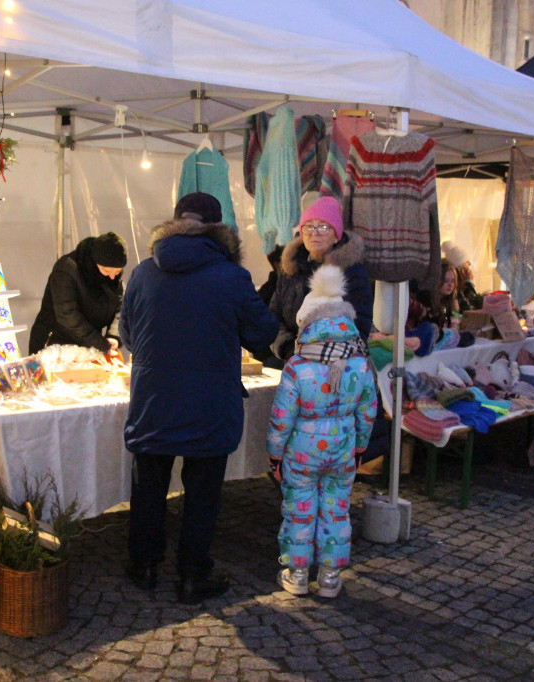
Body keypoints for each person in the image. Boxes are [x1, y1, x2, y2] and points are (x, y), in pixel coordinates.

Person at [119, 192, 279, 604]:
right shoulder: (231, 277)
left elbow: (128, 337)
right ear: (217, 228)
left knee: (149, 486)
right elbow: (262, 334)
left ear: (174, 223)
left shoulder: (142, 273)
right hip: (210, 401)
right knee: (203, 491)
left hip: (154, 399)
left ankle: (145, 566)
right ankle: (192, 575)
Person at [266, 264, 376, 598]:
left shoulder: (297, 366)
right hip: (342, 453)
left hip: (301, 454)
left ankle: (298, 574)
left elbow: (281, 418)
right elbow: (367, 412)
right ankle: (329, 576)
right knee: (335, 509)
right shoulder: (360, 361)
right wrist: (359, 448)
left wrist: (274, 456)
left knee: (299, 509)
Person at [270, 196, 373, 363]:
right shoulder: (291, 269)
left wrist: (317, 354)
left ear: (336, 236)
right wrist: (288, 348)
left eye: (323, 227)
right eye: (308, 227)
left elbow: (359, 324)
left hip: (339, 365)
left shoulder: (351, 271)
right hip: (292, 361)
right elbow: (274, 316)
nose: (314, 233)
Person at [29, 232, 127, 354]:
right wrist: (101, 344)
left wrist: (113, 336)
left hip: (89, 346)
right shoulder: (66, 270)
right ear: (95, 263)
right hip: (56, 347)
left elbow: (120, 309)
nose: (112, 276)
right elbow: (68, 315)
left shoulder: (112, 279)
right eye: (107, 271)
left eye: (118, 271)